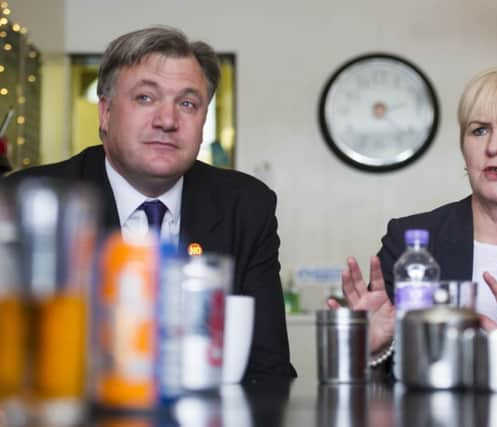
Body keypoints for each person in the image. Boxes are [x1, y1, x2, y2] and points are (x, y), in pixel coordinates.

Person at [3, 26, 296, 380]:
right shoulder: (28, 200)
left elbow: (269, 369)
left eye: (187, 103)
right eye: (145, 98)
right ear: (106, 113)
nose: (167, 120)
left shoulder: (246, 207)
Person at [328, 68, 497, 361]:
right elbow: (385, 378)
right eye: (479, 130)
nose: (494, 147)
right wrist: (375, 347)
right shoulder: (412, 243)